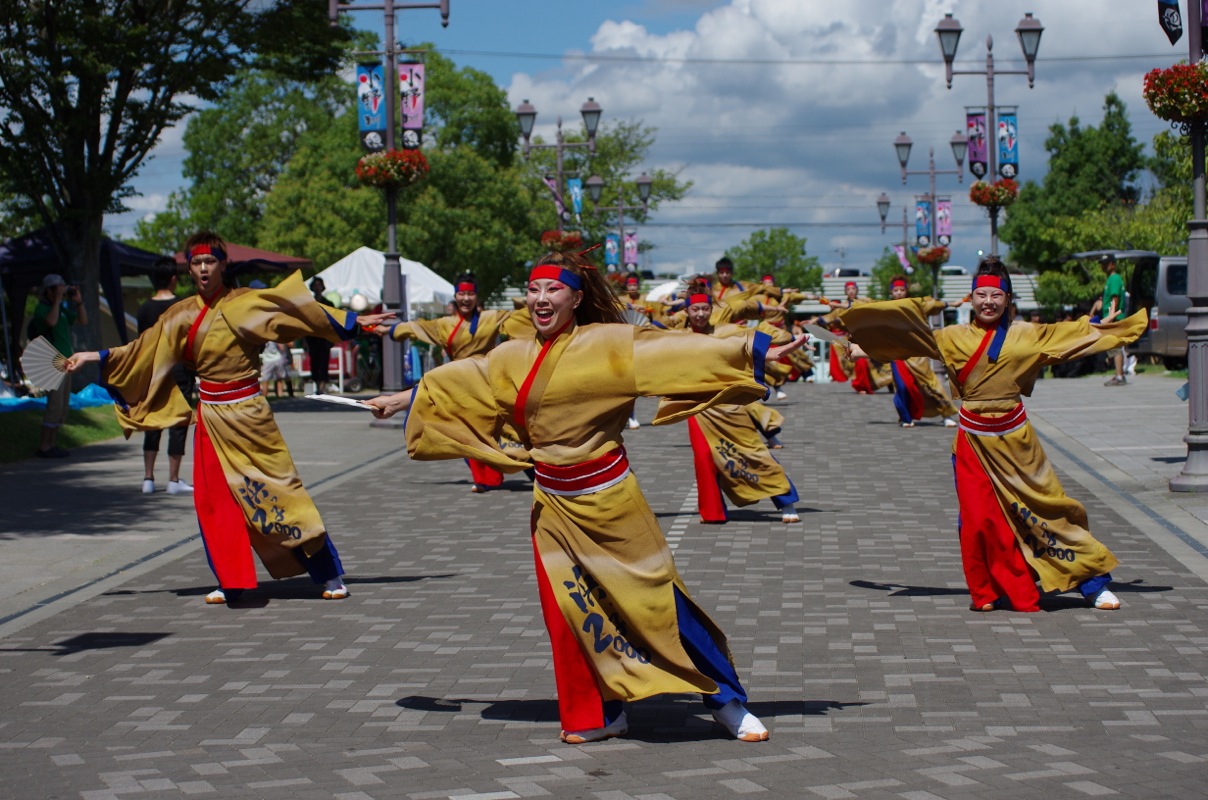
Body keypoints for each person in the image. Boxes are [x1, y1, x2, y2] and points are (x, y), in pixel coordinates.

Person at [366, 250, 809, 744]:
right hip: (552, 506)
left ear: (576, 298)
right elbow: (461, 380)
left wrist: (755, 351)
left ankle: (726, 701)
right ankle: (600, 713)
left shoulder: (611, 344)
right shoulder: (512, 354)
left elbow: (678, 352)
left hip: (611, 500)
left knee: (660, 605)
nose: (540, 298)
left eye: (553, 290)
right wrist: (399, 398)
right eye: (533, 289)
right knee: (573, 613)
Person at [66, 231, 395, 604]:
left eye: (210, 262)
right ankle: (232, 579)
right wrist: (92, 356)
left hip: (250, 415)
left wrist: (356, 321)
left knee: (282, 494)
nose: (203, 269)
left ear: (224, 265)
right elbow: (142, 349)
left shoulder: (248, 303)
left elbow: (300, 312)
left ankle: (329, 573)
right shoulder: (180, 314)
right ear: (188, 268)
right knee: (214, 502)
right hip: (210, 418)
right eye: (196, 263)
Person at [838, 257, 1146, 613]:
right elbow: (909, 343)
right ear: (970, 299)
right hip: (971, 443)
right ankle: (990, 589)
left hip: (1018, 442)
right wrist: (861, 348)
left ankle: (1093, 584)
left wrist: (1102, 327)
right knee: (978, 519)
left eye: (995, 295)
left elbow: (1073, 336)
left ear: (1007, 299)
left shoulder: (1028, 335)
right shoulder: (950, 337)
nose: (988, 302)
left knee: (1051, 510)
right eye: (981, 294)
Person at [378, 271, 534, 492]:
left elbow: (518, 320)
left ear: (476, 297)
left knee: (512, 431)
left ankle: (536, 471)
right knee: (467, 432)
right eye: (461, 293)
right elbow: (419, 327)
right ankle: (486, 480)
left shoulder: (491, 318)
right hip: (459, 384)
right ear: (455, 296)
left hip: (487, 380)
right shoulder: (446, 324)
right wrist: (391, 330)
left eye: (470, 294)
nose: (466, 298)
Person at [682, 284, 802, 524]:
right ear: (686, 311)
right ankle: (712, 513)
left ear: (711, 308)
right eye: (695, 309)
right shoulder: (676, 338)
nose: (700, 314)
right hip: (697, 407)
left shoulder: (726, 331)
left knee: (753, 451)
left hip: (728, 402)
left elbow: (756, 336)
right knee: (704, 456)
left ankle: (786, 501)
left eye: (705, 309)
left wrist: (791, 339)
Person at [135, 258, 195, 494]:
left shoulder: (143, 309)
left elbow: (141, 344)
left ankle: (148, 478)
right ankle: (173, 479)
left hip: (153, 371)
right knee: (179, 423)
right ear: (173, 279)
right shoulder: (184, 307)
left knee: (153, 421)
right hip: (179, 369)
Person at [882, 275, 959, 429]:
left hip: (916, 351)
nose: (898, 293)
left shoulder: (914, 304)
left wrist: (950, 303)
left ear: (906, 291)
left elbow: (930, 304)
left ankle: (945, 414)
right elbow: (864, 308)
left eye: (901, 290)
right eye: (895, 290)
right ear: (891, 292)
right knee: (903, 386)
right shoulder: (885, 307)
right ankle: (905, 417)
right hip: (896, 353)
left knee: (929, 384)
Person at [29, 273, 87, 458]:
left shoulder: (61, 308)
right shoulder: (42, 309)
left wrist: (78, 302)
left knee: (62, 407)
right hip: (51, 361)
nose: (61, 291)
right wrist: (56, 301)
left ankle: (51, 444)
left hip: (65, 361)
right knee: (54, 405)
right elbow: (51, 322)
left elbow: (83, 321)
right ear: (49, 291)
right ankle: (44, 446)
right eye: (57, 288)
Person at [1100, 255, 1128, 386]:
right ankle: (1118, 374)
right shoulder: (1110, 279)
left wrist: (1111, 316)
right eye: (1102, 264)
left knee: (1115, 347)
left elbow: (1115, 298)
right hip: (1110, 316)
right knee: (1113, 346)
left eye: (1106, 264)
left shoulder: (1114, 278)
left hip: (1113, 317)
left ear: (1113, 264)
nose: (1103, 266)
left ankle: (1119, 376)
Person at [305, 277, 334, 394]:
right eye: (315, 285)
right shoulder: (309, 304)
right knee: (314, 362)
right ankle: (317, 385)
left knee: (324, 361)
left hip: (325, 337)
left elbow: (333, 321)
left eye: (319, 285)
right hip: (312, 337)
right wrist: (304, 340)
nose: (317, 287)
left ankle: (322, 386)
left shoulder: (328, 303)